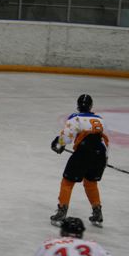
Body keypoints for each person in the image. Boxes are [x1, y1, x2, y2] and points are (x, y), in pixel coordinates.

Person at [50, 94, 109, 228]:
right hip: (99, 155)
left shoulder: (75, 117)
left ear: (78, 106)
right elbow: (105, 141)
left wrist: (59, 145)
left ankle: (62, 212)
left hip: (83, 153)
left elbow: (66, 137)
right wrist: (104, 158)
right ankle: (97, 212)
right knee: (91, 182)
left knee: (67, 182)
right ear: (91, 106)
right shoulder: (101, 120)